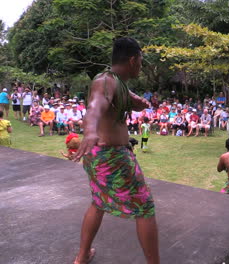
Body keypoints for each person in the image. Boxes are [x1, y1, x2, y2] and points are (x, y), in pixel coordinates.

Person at [72, 38, 159, 264]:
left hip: (101, 156)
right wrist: (90, 130)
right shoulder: (104, 81)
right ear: (132, 60)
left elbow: (129, 99)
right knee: (145, 206)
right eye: (140, 61)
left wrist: (139, 102)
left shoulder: (116, 82)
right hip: (111, 156)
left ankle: (82, 257)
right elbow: (95, 106)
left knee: (98, 201)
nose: (141, 65)